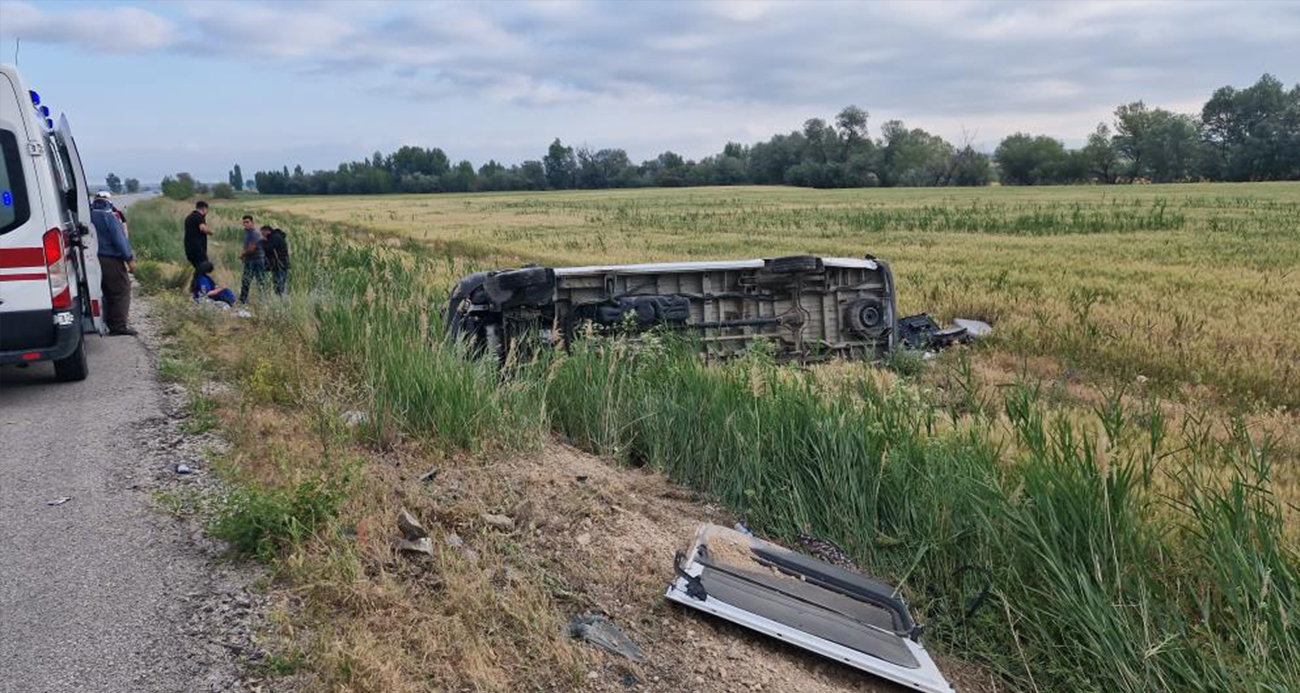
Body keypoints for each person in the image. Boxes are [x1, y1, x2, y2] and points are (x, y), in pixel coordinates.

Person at [90, 194, 137, 335]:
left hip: (91, 259)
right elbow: (119, 239)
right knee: (121, 291)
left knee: (105, 292)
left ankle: (107, 322)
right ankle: (118, 326)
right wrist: (129, 259)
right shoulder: (109, 216)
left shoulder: (87, 215)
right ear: (109, 202)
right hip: (110, 259)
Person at [237, 214, 267, 304]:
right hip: (249, 260)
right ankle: (243, 300)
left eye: (247, 222)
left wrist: (243, 255)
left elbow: (252, 248)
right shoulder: (247, 233)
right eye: (244, 222)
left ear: (252, 223)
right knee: (246, 280)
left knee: (260, 281)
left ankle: (263, 301)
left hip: (257, 260)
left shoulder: (255, 233)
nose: (245, 224)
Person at [260, 225, 290, 295]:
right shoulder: (276, 236)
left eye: (263, 233)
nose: (262, 235)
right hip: (278, 264)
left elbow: (269, 248)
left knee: (279, 283)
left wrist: (262, 242)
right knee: (279, 283)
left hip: (279, 264)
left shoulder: (274, 237)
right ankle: (280, 298)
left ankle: (280, 298)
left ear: (267, 231)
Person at [183, 200, 212, 272]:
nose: (207, 212)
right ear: (204, 209)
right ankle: (200, 283)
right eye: (207, 210)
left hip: (189, 248)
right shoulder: (199, 217)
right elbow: (203, 229)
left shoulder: (189, 217)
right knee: (204, 268)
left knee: (198, 269)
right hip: (198, 249)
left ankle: (196, 282)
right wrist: (211, 232)